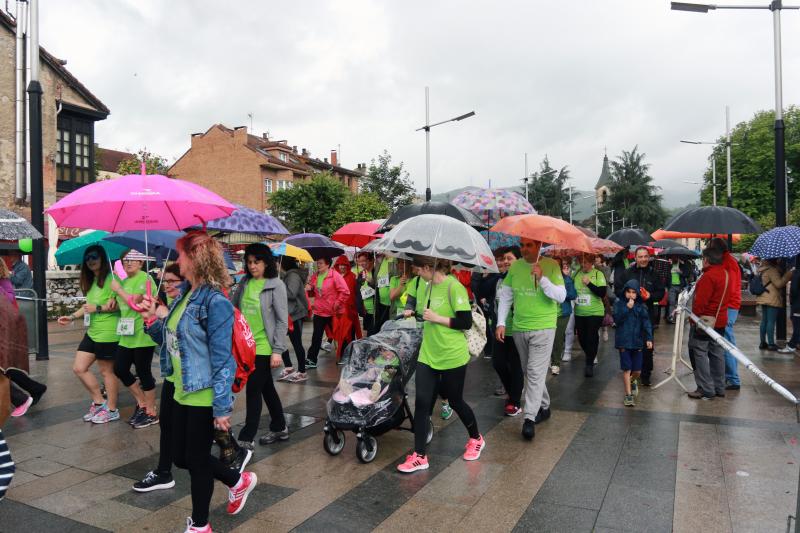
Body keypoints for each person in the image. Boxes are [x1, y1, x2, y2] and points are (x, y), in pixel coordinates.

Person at [139, 231, 257, 533]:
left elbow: (223, 360)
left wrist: (222, 407)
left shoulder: (215, 301)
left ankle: (201, 525)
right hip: (180, 389)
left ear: (195, 259)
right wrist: (152, 320)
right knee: (180, 457)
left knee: (197, 459)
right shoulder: (184, 295)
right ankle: (236, 479)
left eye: (181, 255)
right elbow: (172, 341)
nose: (177, 260)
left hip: (203, 394)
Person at [397, 256, 484, 473]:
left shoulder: (454, 287)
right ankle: (419, 455)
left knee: (455, 401)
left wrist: (437, 318)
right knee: (422, 403)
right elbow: (425, 315)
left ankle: (476, 438)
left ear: (428, 267)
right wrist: (414, 313)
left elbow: (464, 321)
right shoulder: (426, 288)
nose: (417, 273)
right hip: (428, 353)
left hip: (452, 355)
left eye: (419, 270)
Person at [496, 238, 566, 441]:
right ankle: (544, 406)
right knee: (529, 371)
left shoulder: (551, 265)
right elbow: (506, 295)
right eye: (522, 245)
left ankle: (529, 417)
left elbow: (561, 296)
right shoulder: (516, 267)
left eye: (529, 245)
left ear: (538, 246)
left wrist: (543, 279)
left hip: (544, 327)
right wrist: (501, 322)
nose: (524, 249)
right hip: (519, 327)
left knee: (535, 373)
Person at [133, 263, 185, 492]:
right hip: (174, 377)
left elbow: (191, 340)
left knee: (191, 450)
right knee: (167, 427)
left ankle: (234, 477)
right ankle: (164, 472)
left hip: (194, 381)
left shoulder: (190, 307)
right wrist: (149, 319)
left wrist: (164, 314)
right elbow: (163, 341)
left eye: (174, 281)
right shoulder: (172, 304)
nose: (168, 285)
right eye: (166, 281)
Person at [232, 243, 289, 448]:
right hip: (246, 345)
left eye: (257, 262)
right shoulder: (245, 282)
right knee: (266, 388)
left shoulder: (276, 285)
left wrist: (277, 351)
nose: (252, 266)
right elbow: (234, 309)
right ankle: (280, 426)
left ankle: (247, 437)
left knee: (254, 389)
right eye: (249, 262)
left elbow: (282, 320)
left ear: (266, 262)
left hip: (264, 346)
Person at [57, 245, 121, 424]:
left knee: (107, 371)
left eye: (94, 257)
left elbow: (121, 305)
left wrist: (99, 308)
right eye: (87, 258)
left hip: (109, 332)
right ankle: (100, 402)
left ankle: (112, 409)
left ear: (102, 258)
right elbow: (88, 306)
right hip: (92, 332)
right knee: (79, 367)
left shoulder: (112, 280)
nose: (91, 261)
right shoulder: (92, 281)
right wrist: (71, 317)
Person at [109, 250, 160, 429]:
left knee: (144, 372)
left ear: (141, 263)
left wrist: (119, 291)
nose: (128, 263)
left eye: (132, 260)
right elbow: (121, 303)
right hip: (126, 334)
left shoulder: (145, 280)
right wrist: (111, 300)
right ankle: (142, 402)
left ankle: (151, 412)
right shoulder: (123, 281)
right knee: (120, 368)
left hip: (142, 334)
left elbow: (136, 304)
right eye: (125, 260)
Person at [616, 247, 665, 386]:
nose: (643, 259)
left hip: (647, 314)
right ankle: (631, 372)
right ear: (635, 258)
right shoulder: (628, 273)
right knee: (630, 343)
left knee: (647, 344)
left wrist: (650, 296)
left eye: (645, 256)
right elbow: (618, 289)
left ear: (649, 257)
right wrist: (628, 297)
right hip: (629, 315)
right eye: (640, 257)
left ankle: (646, 374)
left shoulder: (654, 274)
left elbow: (661, 292)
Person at [687, 247, 730, 400]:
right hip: (720, 321)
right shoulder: (725, 274)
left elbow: (700, 304)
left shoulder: (708, 276)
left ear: (707, 259)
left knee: (699, 353)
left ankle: (705, 388)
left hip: (705, 322)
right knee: (717, 354)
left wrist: (692, 319)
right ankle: (719, 387)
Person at [491, 247, 524, 415]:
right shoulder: (499, 279)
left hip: (518, 329)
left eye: (509, 258)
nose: (505, 261)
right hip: (500, 329)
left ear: (518, 260)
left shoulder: (523, 279)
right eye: (504, 259)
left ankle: (515, 401)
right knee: (498, 363)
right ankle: (513, 392)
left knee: (516, 366)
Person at [707, 238, 743, 389]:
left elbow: (729, 287)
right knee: (725, 341)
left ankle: (733, 379)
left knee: (726, 342)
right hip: (728, 305)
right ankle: (730, 377)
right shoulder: (728, 261)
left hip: (728, 306)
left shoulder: (728, 263)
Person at [613, 279, 653, 406]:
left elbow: (647, 323)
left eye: (633, 292)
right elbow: (617, 320)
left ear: (637, 294)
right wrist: (626, 308)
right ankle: (628, 395)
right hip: (624, 342)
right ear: (625, 292)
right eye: (628, 292)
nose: (631, 295)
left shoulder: (641, 307)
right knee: (626, 368)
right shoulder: (619, 304)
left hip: (637, 341)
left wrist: (649, 338)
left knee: (637, 371)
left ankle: (631, 381)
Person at [305, 257, 349, 369]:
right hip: (320, 311)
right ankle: (311, 359)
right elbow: (312, 290)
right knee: (316, 336)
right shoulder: (315, 276)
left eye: (320, 263)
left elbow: (345, 291)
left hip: (334, 312)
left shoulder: (335, 275)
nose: (318, 265)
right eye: (317, 263)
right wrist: (309, 287)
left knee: (339, 335)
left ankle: (345, 356)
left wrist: (337, 303)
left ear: (327, 264)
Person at [573, 254, 607, 377]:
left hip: (595, 312)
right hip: (579, 312)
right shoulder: (576, 274)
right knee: (581, 338)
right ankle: (591, 354)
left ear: (592, 262)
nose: (583, 264)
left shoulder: (598, 274)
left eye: (586, 262)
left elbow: (602, 293)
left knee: (591, 337)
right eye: (581, 261)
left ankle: (589, 364)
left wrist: (589, 284)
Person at [278, 257, 309, 383]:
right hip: (287, 313)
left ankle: (302, 371)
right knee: (278, 339)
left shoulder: (293, 276)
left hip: (294, 314)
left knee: (296, 343)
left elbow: (291, 293)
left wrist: (279, 285)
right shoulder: (287, 275)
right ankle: (289, 366)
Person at [756, 258, 792, 351]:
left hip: (763, 296)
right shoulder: (772, 270)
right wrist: (788, 275)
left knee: (764, 320)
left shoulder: (762, 268)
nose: (780, 261)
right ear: (774, 260)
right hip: (771, 297)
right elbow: (779, 284)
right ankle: (771, 344)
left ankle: (762, 342)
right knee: (771, 321)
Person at [332, 255, 362, 362]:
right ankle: (342, 354)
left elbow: (357, 293)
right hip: (338, 311)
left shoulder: (353, 276)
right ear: (337, 265)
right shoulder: (333, 276)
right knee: (340, 333)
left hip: (350, 311)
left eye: (344, 265)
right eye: (340, 265)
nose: (342, 267)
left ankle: (348, 354)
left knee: (350, 334)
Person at [550, 257, 577, 376]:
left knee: (558, 338)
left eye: (557, 265)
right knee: (546, 338)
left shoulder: (567, 280)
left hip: (562, 313)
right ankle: (547, 359)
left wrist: (561, 292)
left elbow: (573, 295)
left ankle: (555, 362)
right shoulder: (544, 279)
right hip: (546, 314)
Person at [780, 253, 800, 354]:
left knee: (797, 324)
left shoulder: (797, 273)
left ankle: (792, 345)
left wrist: (791, 301)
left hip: (797, 305)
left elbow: (794, 291)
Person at [355, 252, 378, 335]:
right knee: (367, 332)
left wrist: (372, 282)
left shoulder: (376, 272)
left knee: (373, 333)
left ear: (372, 260)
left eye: (364, 261)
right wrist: (360, 307)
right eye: (359, 261)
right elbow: (358, 292)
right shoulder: (361, 274)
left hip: (376, 310)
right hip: (365, 310)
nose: (361, 263)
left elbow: (379, 289)